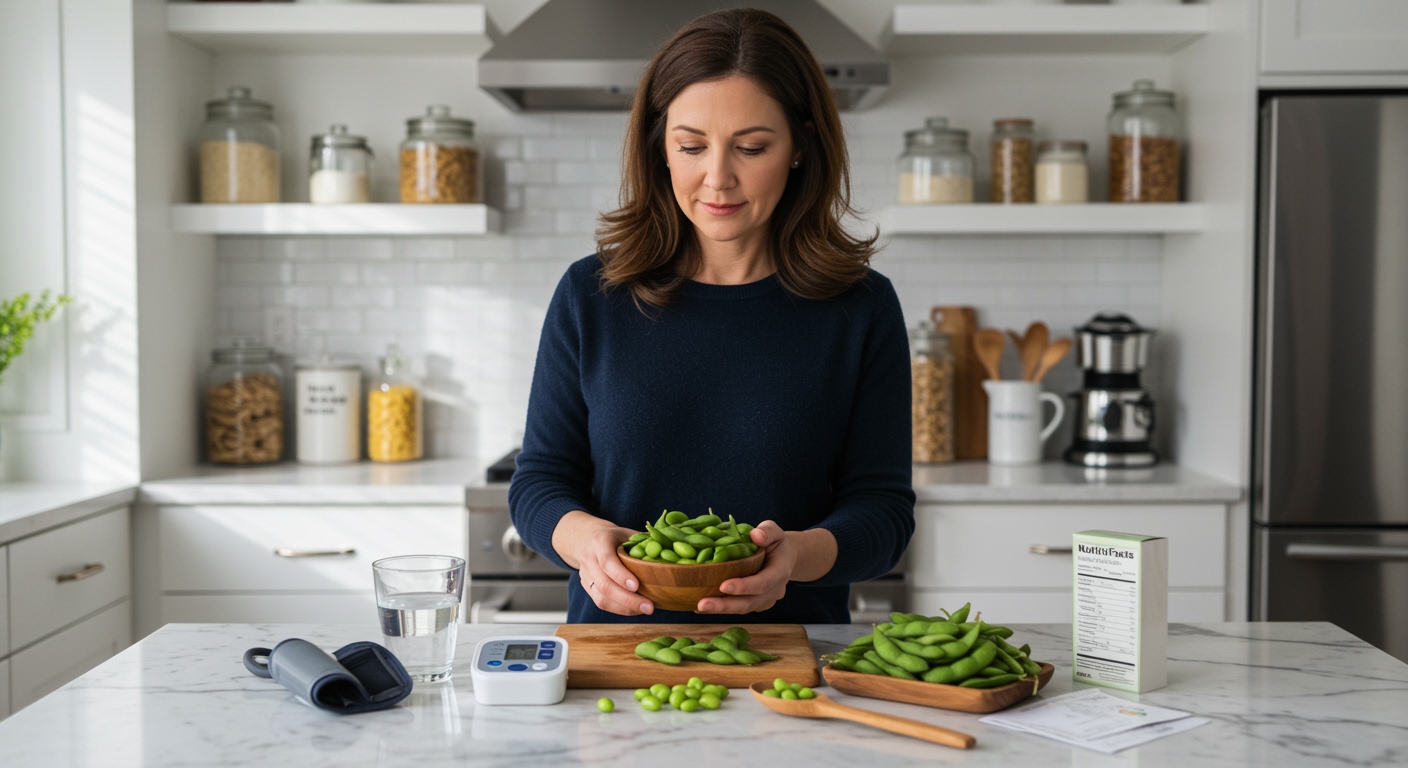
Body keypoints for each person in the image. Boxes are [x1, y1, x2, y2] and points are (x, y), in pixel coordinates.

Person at [508, 8, 914, 624]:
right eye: (691, 145)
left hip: (792, 669)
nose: (717, 178)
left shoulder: (859, 307)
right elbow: (539, 480)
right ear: (660, 147)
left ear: (801, 146)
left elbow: (883, 511)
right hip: (617, 662)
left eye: (751, 147)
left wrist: (796, 556)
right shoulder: (591, 294)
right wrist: (583, 542)